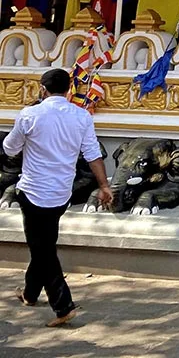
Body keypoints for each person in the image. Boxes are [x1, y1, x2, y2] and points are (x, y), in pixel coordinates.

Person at [2, 69, 112, 326]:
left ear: (43, 89)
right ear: (69, 89)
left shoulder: (30, 114)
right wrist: (104, 185)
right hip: (62, 192)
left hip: (33, 191)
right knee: (43, 244)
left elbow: (10, 147)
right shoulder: (81, 116)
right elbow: (93, 154)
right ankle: (30, 294)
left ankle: (63, 306)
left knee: (42, 250)